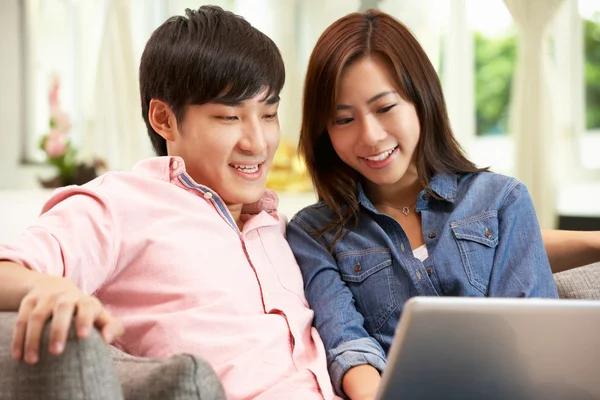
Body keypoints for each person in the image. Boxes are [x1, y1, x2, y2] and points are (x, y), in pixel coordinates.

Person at [0, 6, 338, 400]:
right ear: (164, 119)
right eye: (229, 117)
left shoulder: (277, 227)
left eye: (269, 114)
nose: (258, 142)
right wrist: (49, 288)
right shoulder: (122, 203)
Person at [285, 9, 560, 400]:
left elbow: (534, 337)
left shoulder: (502, 201)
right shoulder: (313, 232)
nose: (371, 136)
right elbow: (348, 345)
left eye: (385, 108)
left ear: (421, 98)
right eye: (343, 120)